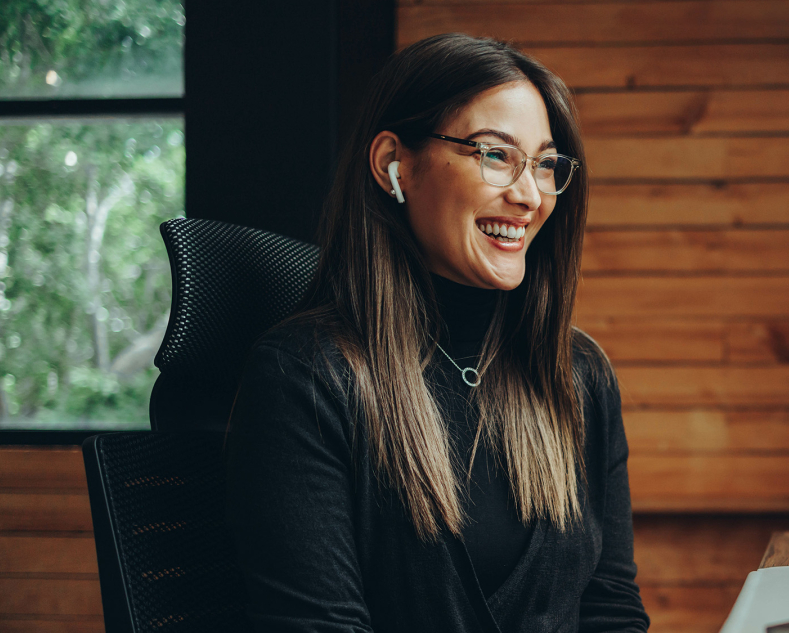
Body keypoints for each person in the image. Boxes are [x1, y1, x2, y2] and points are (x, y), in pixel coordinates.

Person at [223, 34, 649, 633]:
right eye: (496, 155)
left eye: (547, 164)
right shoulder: (308, 376)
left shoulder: (575, 371)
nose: (529, 195)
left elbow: (610, 610)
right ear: (393, 165)